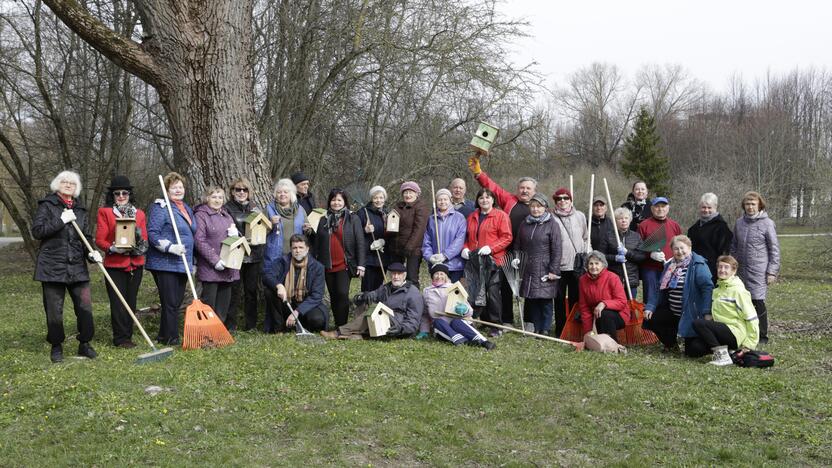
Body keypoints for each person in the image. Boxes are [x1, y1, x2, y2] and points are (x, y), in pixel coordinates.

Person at [32, 170, 100, 362]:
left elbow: (85, 237)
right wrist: (60, 220)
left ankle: (84, 344)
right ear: (57, 184)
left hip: (77, 266)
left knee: (85, 307)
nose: (68, 185)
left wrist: (92, 253)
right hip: (52, 266)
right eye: (64, 182)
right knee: (54, 310)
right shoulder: (47, 205)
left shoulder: (80, 211)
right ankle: (56, 346)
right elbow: (37, 231)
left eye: (72, 183)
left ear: (76, 187)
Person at [468, 155, 535, 325]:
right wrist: (478, 173)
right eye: (522, 188)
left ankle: (529, 321)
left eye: (528, 188)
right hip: (507, 250)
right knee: (504, 287)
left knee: (529, 287)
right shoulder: (510, 200)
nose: (524, 191)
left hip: (531, 252)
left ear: (534, 191)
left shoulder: (539, 205)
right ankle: (506, 319)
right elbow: (492, 188)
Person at [95, 175, 149, 348]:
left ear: (129, 194)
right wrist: (112, 248)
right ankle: (120, 339)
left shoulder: (139, 214)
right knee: (118, 303)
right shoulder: (106, 212)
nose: (121, 196)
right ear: (112, 195)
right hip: (115, 265)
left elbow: (145, 238)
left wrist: (138, 245)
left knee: (131, 301)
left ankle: (128, 335)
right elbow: (100, 239)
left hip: (136, 264)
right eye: (117, 193)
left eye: (124, 193)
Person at [146, 171, 196, 346]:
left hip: (183, 263)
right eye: (174, 187)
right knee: (170, 302)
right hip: (164, 262)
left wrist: (192, 261)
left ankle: (164, 335)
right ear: (166, 190)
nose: (178, 190)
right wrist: (170, 247)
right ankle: (171, 338)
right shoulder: (160, 207)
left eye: (180, 187)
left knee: (175, 302)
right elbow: (152, 234)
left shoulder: (186, 208)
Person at [643, 235, 713, 355]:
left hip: (691, 314)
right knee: (651, 319)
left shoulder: (698, 265)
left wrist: (706, 311)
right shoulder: (670, 266)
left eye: (682, 248)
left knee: (693, 352)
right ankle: (671, 344)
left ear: (690, 248)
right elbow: (660, 288)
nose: (680, 252)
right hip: (673, 311)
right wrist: (650, 306)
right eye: (676, 249)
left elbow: (707, 288)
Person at [320, 262, 423, 339]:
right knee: (365, 304)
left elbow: (414, 321)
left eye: (399, 274)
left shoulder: (413, 293)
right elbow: (374, 294)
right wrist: (364, 296)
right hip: (384, 318)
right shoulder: (386, 287)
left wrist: (401, 329)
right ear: (390, 275)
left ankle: (338, 332)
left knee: (374, 312)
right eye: (393, 274)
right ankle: (358, 335)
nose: (396, 277)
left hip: (397, 325)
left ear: (404, 276)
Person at [311, 188, 366, 327]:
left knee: (342, 294)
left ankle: (342, 326)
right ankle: (337, 325)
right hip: (327, 264)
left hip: (345, 263)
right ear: (330, 202)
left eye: (339, 200)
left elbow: (360, 241)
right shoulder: (323, 219)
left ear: (344, 202)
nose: (336, 203)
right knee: (334, 295)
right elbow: (317, 242)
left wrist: (361, 264)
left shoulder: (352, 218)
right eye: (333, 200)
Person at [690, 255, 759, 365]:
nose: (722, 270)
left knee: (698, 323)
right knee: (694, 348)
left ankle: (722, 357)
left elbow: (752, 318)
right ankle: (729, 352)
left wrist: (749, 344)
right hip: (721, 330)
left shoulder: (738, 291)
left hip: (734, 332)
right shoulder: (717, 290)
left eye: (726, 267)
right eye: (720, 267)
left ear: (734, 271)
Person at [731, 191, 780, 344]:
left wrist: (772, 271)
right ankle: (745, 332)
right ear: (743, 206)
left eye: (753, 204)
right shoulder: (739, 223)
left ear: (759, 205)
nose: (750, 207)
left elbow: (774, 249)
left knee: (758, 301)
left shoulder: (767, 223)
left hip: (759, 270)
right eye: (747, 204)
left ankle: (762, 335)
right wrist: (732, 266)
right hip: (741, 270)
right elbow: (734, 246)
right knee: (742, 301)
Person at [462, 188, 512, 336]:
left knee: (492, 292)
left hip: (494, 261)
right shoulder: (472, 216)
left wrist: (491, 248)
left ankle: (496, 325)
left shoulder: (500, 216)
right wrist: (465, 248)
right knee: (477, 291)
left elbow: (507, 237)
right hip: (475, 261)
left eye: (488, 197)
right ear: (477, 200)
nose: (484, 200)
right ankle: (484, 321)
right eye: (481, 198)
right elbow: (467, 238)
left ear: (493, 200)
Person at [262, 178, 307, 333]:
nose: (282, 195)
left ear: (292, 194)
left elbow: (306, 232)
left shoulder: (300, 210)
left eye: (285, 192)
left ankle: (292, 322)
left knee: (293, 289)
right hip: (275, 256)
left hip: (296, 257)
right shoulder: (269, 209)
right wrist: (269, 223)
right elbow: (259, 232)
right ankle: (275, 325)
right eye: (279, 192)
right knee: (273, 290)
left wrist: (308, 229)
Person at [513, 193, 561, 335]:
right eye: (533, 206)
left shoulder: (552, 224)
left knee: (545, 300)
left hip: (545, 267)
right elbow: (518, 244)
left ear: (545, 208)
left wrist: (554, 270)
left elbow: (557, 249)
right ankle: (536, 327)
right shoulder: (524, 223)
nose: (535, 210)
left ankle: (545, 329)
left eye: (539, 207)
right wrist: (517, 258)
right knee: (532, 299)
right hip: (528, 267)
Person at [420, 263, 495, 350]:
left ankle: (484, 342)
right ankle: (464, 341)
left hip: (458, 323)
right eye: (436, 273)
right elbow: (425, 314)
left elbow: (469, 311)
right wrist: (424, 330)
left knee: (456, 322)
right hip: (441, 328)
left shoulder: (454, 288)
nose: (439, 276)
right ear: (432, 276)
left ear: (446, 276)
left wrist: (464, 310)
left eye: (442, 274)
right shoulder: (427, 291)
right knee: (438, 321)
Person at [263, 234, 329, 332]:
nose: (297, 251)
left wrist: (297, 312)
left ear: (307, 249)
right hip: (288, 303)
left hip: (306, 304)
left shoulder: (317, 267)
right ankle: (279, 328)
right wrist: (279, 285)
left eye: (301, 247)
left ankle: (300, 324)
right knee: (269, 291)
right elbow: (267, 275)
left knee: (317, 320)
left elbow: (317, 295)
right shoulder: (283, 261)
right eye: (294, 248)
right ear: (291, 249)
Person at [194, 186, 240, 325]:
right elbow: (199, 240)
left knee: (223, 305)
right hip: (211, 267)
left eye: (220, 197)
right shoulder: (201, 215)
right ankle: (206, 332)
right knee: (209, 303)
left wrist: (236, 235)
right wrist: (215, 261)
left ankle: (219, 332)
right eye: (214, 197)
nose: (217, 200)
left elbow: (236, 239)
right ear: (207, 198)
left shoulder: (226, 215)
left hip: (228, 266)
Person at [224, 177, 265, 331]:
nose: (241, 192)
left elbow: (263, 228)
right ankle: (231, 324)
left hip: (254, 256)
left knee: (251, 291)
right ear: (232, 192)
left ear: (249, 192)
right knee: (233, 290)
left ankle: (251, 325)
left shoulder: (255, 208)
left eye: (245, 190)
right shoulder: (226, 208)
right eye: (238, 189)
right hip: (236, 254)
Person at [551, 187, 588, 338]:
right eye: (559, 199)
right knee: (559, 300)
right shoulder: (551, 217)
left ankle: (574, 329)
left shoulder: (580, 216)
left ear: (571, 200)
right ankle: (560, 330)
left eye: (566, 198)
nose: (563, 201)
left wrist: (587, 253)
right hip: (559, 265)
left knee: (576, 299)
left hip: (577, 266)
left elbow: (585, 237)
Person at [638, 196, 682, 307]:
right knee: (650, 298)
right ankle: (649, 323)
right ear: (652, 209)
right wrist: (650, 254)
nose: (660, 209)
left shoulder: (675, 226)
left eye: (663, 206)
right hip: (650, 269)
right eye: (657, 206)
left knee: (669, 298)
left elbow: (682, 245)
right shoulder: (644, 225)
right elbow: (637, 247)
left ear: (668, 208)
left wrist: (677, 257)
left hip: (671, 268)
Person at [577, 251, 629, 338]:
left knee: (604, 314)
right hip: (596, 316)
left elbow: (622, 301)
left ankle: (613, 344)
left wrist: (604, 304)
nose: (594, 267)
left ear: (603, 265)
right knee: (600, 316)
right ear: (587, 266)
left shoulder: (613, 278)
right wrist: (588, 332)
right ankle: (600, 341)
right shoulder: (583, 280)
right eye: (591, 264)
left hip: (619, 314)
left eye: (597, 263)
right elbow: (584, 307)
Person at [388, 181, 429, 288]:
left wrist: (409, 247)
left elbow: (419, 229)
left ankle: (413, 301)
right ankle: (397, 300)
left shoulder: (421, 207)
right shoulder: (398, 206)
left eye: (411, 192)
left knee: (411, 277)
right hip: (397, 249)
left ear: (417, 194)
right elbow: (392, 225)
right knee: (397, 277)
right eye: (405, 192)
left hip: (413, 249)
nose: (408, 195)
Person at [422, 188, 467, 283]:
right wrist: (430, 257)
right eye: (439, 199)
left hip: (454, 266)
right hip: (436, 266)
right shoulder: (431, 219)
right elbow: (427, 241)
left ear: (450, 200)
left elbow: (459, 241)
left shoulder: (459, 218)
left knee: (452, 295)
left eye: (445, 199)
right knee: (438, 294)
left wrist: (445, 255)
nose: (442, 202)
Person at [687, 192, 733, 282]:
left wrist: (721, 271)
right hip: (695, 269)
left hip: (712, 271)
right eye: (703, 207)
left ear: (715, 208)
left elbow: (724, 253)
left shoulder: (721, 227)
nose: (706, 210)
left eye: (709, 207)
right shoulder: (693, 228)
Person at [601, 208, 646, 298]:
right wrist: (614, 258)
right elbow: (601, 256)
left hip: (631, 279)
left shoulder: (636, 237)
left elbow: (641, 257)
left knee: (630, 307)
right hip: (613, 279)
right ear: (615, 221)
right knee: (614, 305)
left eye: (626, 218)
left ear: (630, 220)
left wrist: (627, 253)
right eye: (620, 218)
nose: (623, 220)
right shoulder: (608, 236)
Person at [356, 185, 390, 292]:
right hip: (369, 257)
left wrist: (383, 241)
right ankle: (365, 306)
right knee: (367, 287)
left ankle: (376, 307)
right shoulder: (363, 212)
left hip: (383, 257)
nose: (378, 200)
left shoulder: (387, 214)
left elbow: (392, 234)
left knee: (379, 286)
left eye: (381, 197)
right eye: (375, 198)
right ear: (371, 199)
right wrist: (364, 230)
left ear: (384, 199)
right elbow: (355, 232)